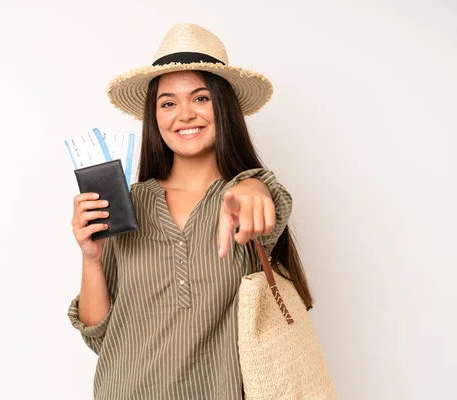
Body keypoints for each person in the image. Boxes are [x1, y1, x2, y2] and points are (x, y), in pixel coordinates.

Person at [67, 23, 313, 400]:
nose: (184, 114)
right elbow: (99, 333)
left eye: (200, 98)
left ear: (224, 107)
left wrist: (254, 185)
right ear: (155, 117)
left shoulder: (245, 197)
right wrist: (90, 257)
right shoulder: (128, 202)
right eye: (168, 103)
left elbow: (271, 204)